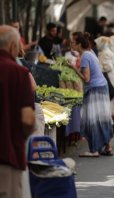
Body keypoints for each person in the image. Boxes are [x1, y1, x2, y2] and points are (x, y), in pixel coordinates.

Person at [0, 25, 35, 198]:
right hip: (7, 155)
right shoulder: (18, 73)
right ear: (14, 46)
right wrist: (20, 137)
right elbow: (28, 119)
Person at [69, 32, 113, 157]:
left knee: (91, 120)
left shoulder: (85, 56)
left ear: (78, 44)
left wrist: (73, 68)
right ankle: (107, 147)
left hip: (95, 89)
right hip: (102, 88)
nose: (71, 44)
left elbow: (86, 79)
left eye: (73, 42)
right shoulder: (91, 53)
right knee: (102, 118)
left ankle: (93, 150)